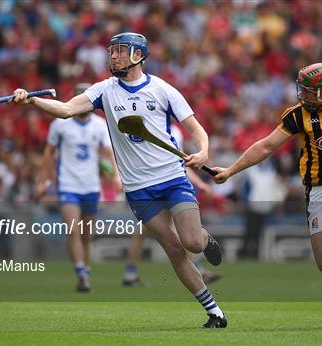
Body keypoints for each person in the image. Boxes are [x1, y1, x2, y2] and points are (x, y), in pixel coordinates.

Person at [13, 32, 227, 328]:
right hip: (139, 189)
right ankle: (214, 311)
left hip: (172, 178)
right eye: (111, 52)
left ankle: (205, 238)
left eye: (120, 51)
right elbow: (65, 110)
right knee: (174, 249)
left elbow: (196, 128)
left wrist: (203, 152)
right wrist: (32, 100)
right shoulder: (104, 90)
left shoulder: (163, 90)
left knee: (191, 242)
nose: (113, 56)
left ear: (138, 55)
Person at [213, 63, 322, 330]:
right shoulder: (297, 115)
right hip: (320, 191)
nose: (303, 95)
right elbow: (266, 146)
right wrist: (230, 170)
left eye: (309, 91)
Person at [37, 82, 121, 292]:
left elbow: (108, 154)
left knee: (86, 234)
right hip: (68, 185)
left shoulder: (99, 125)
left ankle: (86, 273)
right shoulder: (60, 124)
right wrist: (42, 181)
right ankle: (80, 271)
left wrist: (116, 175)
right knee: (73, 230)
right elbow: (49, 154)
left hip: (91, 186)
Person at [122, 123, 222, 286]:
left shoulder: (174, 131)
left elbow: (178, 164)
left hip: (165, 187)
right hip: (146, 188)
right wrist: (200, 184)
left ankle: (130, 273)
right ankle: (130, 273)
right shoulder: (146, 128)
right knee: (147, 233)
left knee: (172, 233)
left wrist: (199, 183)